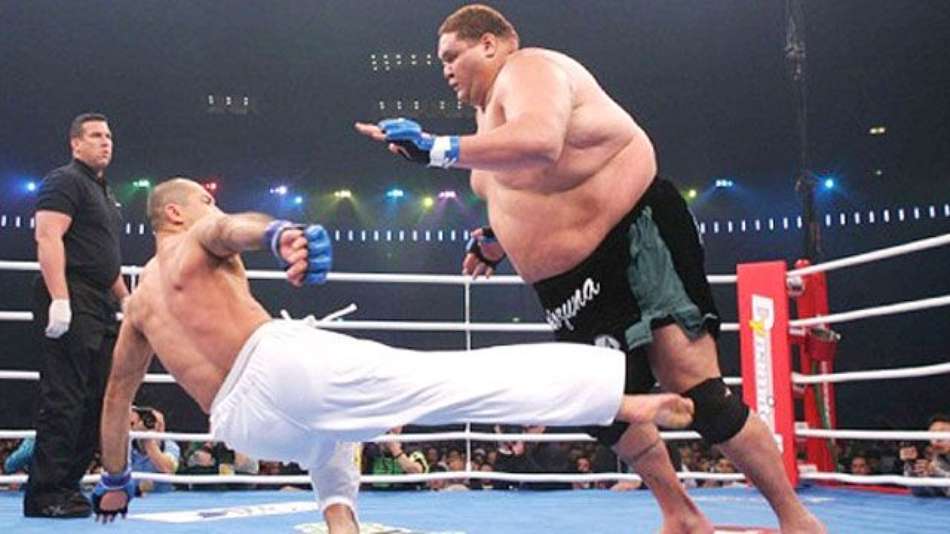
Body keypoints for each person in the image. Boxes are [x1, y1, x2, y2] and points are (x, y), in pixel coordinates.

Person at [355, 5, 825, 533]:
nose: (444, 69)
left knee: (699, 390)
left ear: (488, 43)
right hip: (569, 284)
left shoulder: (527, 68)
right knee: (602, 407)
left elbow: (541, 142)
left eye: (451, 55)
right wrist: (496, 241)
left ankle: (798, 521)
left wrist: (435, 148)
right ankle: (681, 514)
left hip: (632, 236)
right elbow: (538, 189)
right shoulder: (487, 124)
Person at [92, 177, 694, 531]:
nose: (213, 207)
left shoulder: (140, 306)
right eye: (205, 199)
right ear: (176, 212)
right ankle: (619, 398)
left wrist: (117, 479)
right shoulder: (197, 235)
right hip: (275, 365)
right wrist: (279, 233)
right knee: (444, 380)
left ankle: (341, 522)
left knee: (331, 436)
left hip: (241, 425)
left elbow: (117, 398)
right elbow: (232, 229)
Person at [26, 112, 130, 518]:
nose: (106, 142)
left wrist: (126, 299)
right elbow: (47, 236)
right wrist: (60, 299)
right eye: (96, 135)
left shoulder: (103, 192)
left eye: (109, 136)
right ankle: (45, 494)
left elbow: (104, 256)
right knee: (65, 398)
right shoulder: (64, 180)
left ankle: (68, 487)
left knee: (95, 399)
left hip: (101, 302)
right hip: (72, 293)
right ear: (75, 143)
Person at [902, 414, 950, 497]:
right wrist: (912, 465)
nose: (937, 439)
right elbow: (921, 493)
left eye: (943, 432)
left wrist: (936, 473)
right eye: (933, 433)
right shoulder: (936, 459)